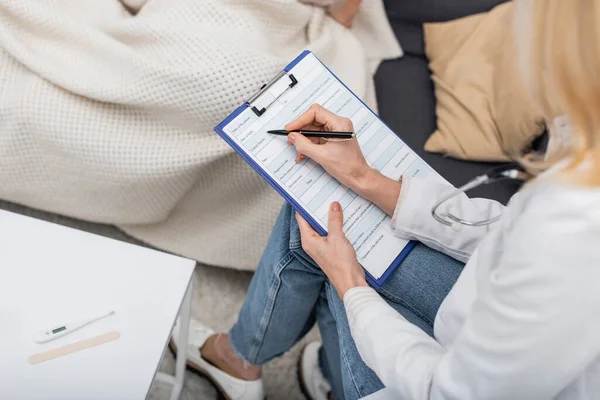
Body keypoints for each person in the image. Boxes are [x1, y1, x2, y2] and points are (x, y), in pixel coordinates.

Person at [171, 0, 600, 399]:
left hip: (449, 382)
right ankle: (312, 369)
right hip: (484, 311)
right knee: (324, 201)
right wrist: (367, 178)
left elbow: (448, 393)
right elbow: (499, 231)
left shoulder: (568, 232)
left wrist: (351, 286)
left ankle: (255, 362)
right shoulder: (579, 159)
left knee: (326, 235)